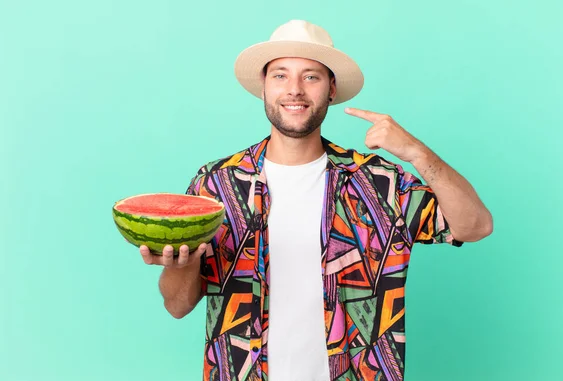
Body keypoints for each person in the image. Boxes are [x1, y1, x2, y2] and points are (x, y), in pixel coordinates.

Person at [139, 20, 493, 381]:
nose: (295, 90)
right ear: (263, 86)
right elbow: (178, 305)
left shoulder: (378, 183)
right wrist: (179, 264)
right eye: (280, 75)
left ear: (332, 89)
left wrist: (417, 152)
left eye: (311, 77)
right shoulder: (217, 185)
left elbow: (476, 225)